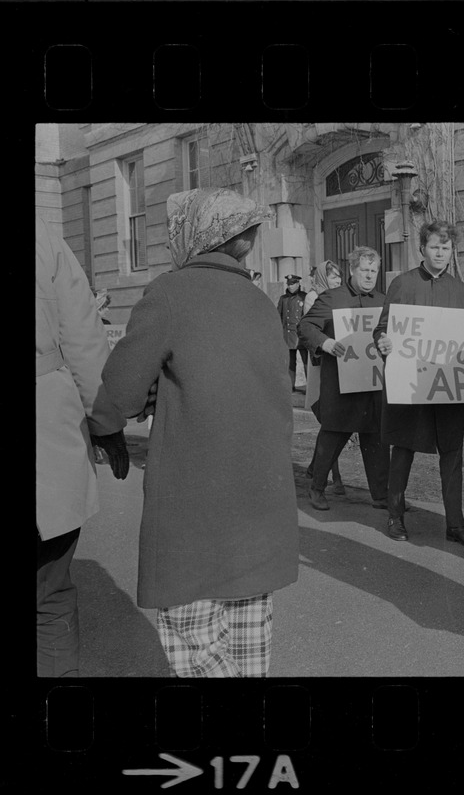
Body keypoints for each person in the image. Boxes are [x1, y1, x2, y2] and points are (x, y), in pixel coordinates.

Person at [101, 188, 300, 678]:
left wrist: (104, 425)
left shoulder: (170, 293)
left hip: (195, 499)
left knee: (194, 640)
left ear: (189, 234)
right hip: (262, 496)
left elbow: (122, 391)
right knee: (250, 637)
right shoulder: (260, 301)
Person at [36, 216, 130, 677]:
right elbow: (83, 341)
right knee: (49, 593)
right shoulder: (43, 237)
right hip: (44, 435)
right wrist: (107, 425)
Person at [372, 220, 464, 548]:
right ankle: (395, 515)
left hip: (446, 385)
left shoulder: (458, 288)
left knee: (452, 453)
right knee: (403, 448)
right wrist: (383, 342)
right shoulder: (403, 284)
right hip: (409, 381)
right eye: (434, 246)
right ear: (422, 248)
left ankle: (455, 523)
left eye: (446, 247)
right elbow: (382, 329)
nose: (440, 252)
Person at [300, 246, 390, 511]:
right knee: (332, 436)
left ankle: (381, 495)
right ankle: (316, 487)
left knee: (375, 439)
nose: (369, 275)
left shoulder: (383, 302)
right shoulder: (331, 298)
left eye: (374, 270)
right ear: (352, 270)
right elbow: (305, 326)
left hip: (373, 385)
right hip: (340, 385)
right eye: (364, 270)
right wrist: (325, 343)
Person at [302, 260, 346, 494]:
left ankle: (316, 467)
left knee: (333, 420)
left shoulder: (340, 297)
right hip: (321, 362)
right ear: (322, 279)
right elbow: (311, 331)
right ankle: (328, 474)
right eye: (332, 277)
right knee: (329, 418)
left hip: (339, 361)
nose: (337, 281)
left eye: (339, 277)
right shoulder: (313, 297)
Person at [278, 273, 307, 391]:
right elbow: (279, 316)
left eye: (293, 284)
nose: (290, 286)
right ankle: (290, 387)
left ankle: (310, 387)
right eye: (289, 284)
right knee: (290, 363)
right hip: (288, 336)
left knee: (306, 362)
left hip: (301, 336)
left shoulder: (304, 297)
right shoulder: (283, 299)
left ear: (298, 284)